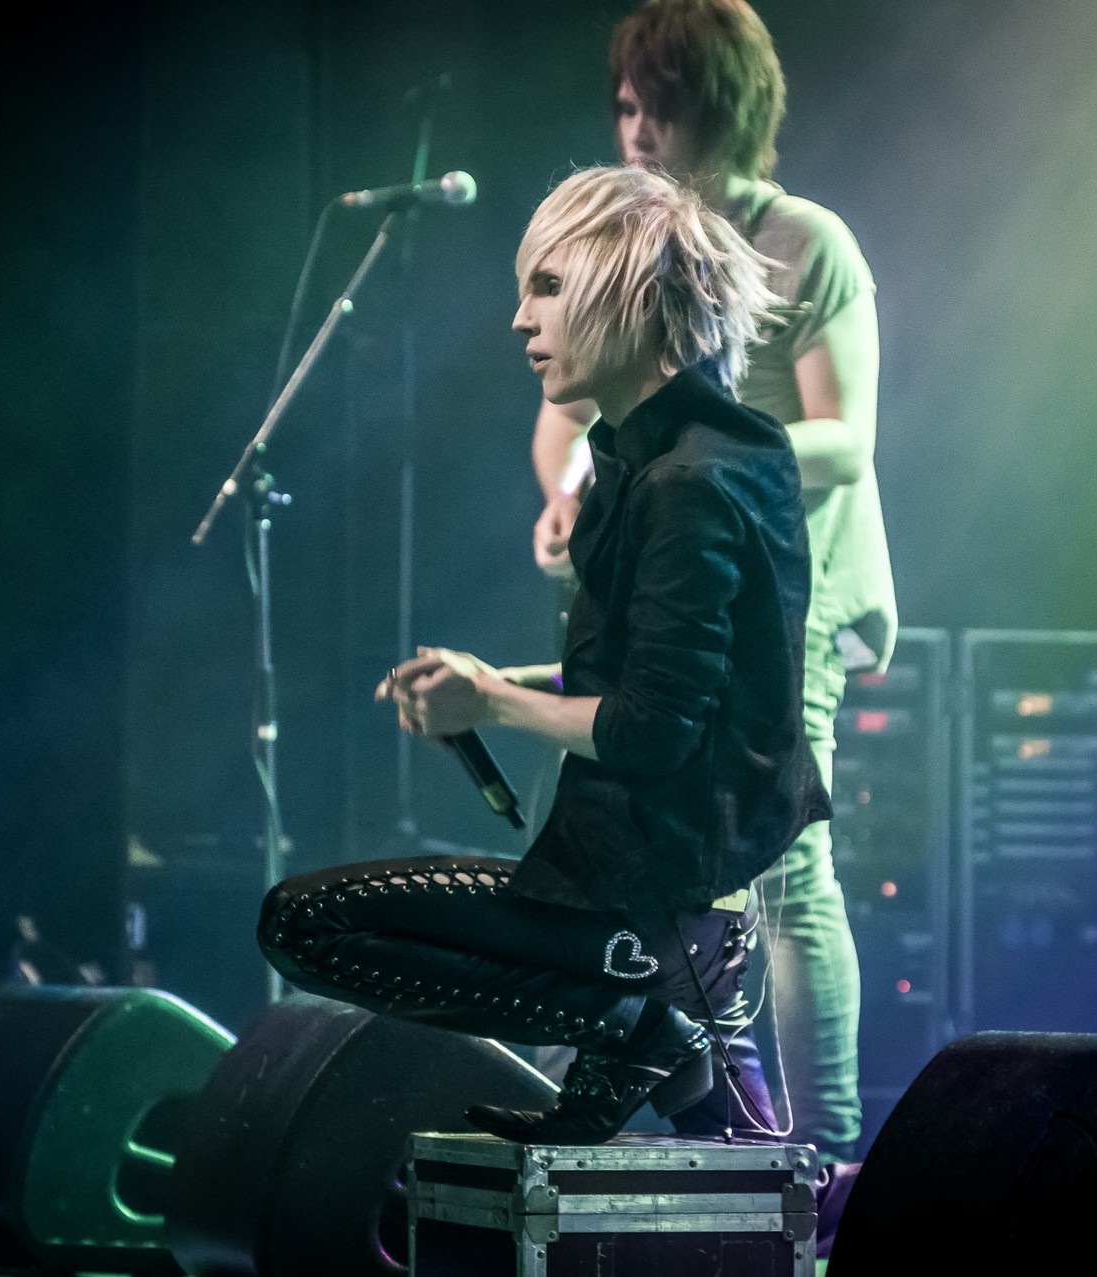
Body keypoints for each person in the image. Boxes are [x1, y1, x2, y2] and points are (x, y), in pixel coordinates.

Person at [257, 163, 828, 1144]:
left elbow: (652, 728)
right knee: (742, 1166)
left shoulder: (684, 482)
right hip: (665, 896)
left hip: (657, 904)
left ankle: (637, 1021)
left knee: (306, 924)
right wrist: (492, 681)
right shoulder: (686, 452)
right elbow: (660, 677)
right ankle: (657, 1032)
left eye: (549, 287)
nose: (521, 319)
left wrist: (489, 703)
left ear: (631, 290)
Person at [529, 0, 896, 1164]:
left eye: (661, 105)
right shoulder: (624, 246)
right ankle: (732, 1125)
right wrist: (572, 494)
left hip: (793, 587)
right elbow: (564, 420)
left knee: (787, 858)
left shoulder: (807, 242)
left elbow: (847, 435)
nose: (636, 129)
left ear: (722, 106)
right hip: (673, 576)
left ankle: (826, 1153)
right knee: (660, 851)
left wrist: (702, 462)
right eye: (624, 106)